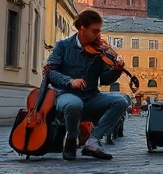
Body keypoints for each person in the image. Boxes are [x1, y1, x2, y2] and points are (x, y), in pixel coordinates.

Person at [47, 9, 130, 160]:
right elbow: (51, 73)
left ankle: (92, 141)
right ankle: (71, 139)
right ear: (82, 28)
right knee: (74, 104)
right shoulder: (63, 46)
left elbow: (105, 79)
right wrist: (70, 81)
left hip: (92, 97)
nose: (98, 35)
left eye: (99, 31)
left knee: (121, 101)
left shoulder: (99, 51)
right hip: (66, 96)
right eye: (95, 31)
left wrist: (117, 70)